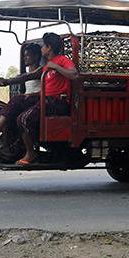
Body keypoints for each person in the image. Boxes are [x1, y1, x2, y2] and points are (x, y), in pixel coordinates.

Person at [12, 32, 78, 165]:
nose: (41, 49)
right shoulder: (47, 65)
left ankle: (31, 153)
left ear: (49, 47)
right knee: (18, 112)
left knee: (24, 119)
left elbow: (74, 74)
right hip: (46, 100)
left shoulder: (61, 60)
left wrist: (57, 68)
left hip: (57, 102)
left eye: (43, 46)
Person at [0, 42, 43, 139]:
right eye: (24, 55)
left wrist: (7, 81)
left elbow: (23, 78)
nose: (24, 58)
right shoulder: (26, 73)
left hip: (37, 99)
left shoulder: (41, 70)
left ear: (36, 56)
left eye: (27, 55)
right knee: (4, 110)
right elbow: (16, 79)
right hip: (28, 99)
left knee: (15, 100)